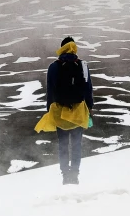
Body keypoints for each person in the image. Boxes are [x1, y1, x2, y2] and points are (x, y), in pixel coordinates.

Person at [34, 36, 93, 185]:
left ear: (61, 48)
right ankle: (75, 174)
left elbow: (50, 92)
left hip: (60, 114)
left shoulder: (53, 67)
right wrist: (89, 109)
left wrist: (49, 111)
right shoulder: (83, 65)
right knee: (76, 144)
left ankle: (65, 175)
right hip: (79, 113)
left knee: (63, 144)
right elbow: (88, 89)